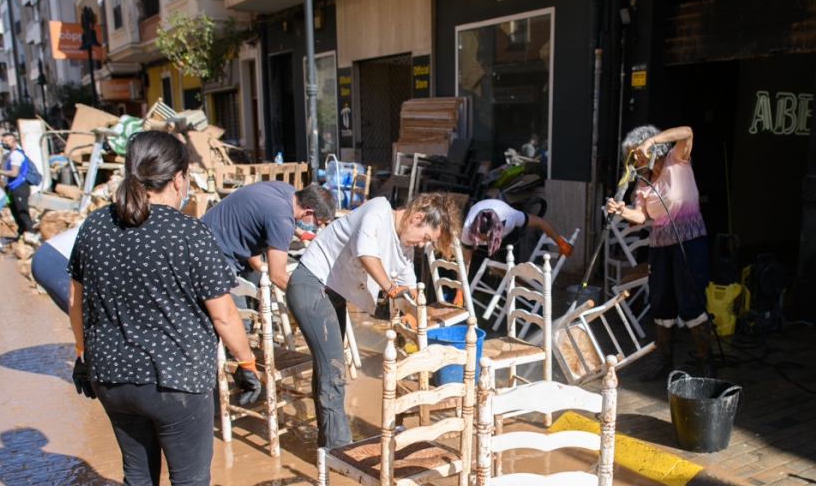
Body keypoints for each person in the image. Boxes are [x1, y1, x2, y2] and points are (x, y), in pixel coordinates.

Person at [67, 130, 263, 486]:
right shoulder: (188, 233)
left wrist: (83, 357)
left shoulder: (94, 226)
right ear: (179, 178)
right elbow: (224, 315)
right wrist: (247, 365)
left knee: (137, 473)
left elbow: (75, 302)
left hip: (112, 379)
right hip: (177, 384)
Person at [287, 192, 462, 450]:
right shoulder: (378, 210)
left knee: (327, 369)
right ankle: (341, 450)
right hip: (311, 285)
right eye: (425, 237)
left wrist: (424, 316)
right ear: (417, 218)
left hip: (332, 294)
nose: (421, 245)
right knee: (334, 372)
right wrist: (391, 289)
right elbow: (365, 252)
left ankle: (327, 446)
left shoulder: (404, 248)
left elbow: (410, 286)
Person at [606, 124, 714, 380]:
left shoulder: (677, 161)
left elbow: (687, 132)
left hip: (689, 241)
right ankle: (665, 362)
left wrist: (650, 141)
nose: (637, 158)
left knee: (691, 301)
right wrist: (620, 210)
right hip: (660, 247)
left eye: (639, 152)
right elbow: (641, 215)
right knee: (661, 302)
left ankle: (707, 363)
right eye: (633, 155)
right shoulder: (643, 183)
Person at [201, 180, 338, 292]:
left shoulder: (288, 192)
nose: (315, 227)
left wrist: (302, 233)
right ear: (308, 211)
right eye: (317, 223)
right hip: (212, 255)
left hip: (204, 234)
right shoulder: (281, 220)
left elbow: (273, 216)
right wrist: (310, 297)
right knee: (234, 314)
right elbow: (278, 276)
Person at [461, 197, 574, 263]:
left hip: (506, 230)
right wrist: (460, 291)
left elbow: (540, 222)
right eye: (482, 238)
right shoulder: (468, 230)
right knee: (479, 261)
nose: (485, 240)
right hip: (479, 224)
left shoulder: (511, 217)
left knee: (510, 261)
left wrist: (561, 243)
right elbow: (465, 260)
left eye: (487, 238)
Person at [0, 131, 41, 246]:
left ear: (14, 142)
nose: (4, 143)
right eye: (3, 141)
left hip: (20, 186)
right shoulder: (9, 155)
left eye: (7, 141)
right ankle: (22, 233)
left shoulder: (16, 155)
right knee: (15, 212)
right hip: (12, 187)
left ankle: (30, 234)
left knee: (22, 212)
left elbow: (14, 173)